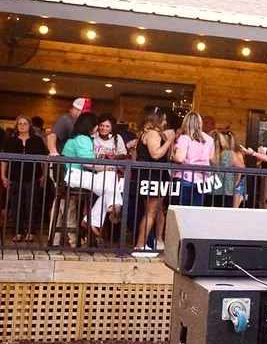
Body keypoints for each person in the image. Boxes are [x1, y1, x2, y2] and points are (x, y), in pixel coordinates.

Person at [62, 111, 125, 238]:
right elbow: (88, 163)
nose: (98, 128)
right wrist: (109, 166)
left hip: (76, 175)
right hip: (75, 176)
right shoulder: (83, 139)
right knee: (110, 180)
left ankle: (93, 218)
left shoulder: (78, 138)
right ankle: (115, 205)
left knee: (109, 187)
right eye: (97, 125)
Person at [132, 107, 175, 256]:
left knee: (151, 211)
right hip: (153, 176)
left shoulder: (146, 133)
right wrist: (170, 140)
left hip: (153, 176)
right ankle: (140, 245)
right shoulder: (152, 133)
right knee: (150, 212)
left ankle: (143, 244)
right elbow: (155, 154)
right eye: (163, 119)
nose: (165, 122)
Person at [1, 115, 48, 242]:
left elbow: (43, 158)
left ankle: (31, 232)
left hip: (33, 177)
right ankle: (17, 232)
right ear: (16, 126)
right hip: (14, 177)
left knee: (31, 205)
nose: (22, 126)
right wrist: (3, 175)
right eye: (20, 124)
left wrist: (45, 174)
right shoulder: (10, 141)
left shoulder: (37, 140)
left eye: (25, 123)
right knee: (15, 205)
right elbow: (4, 160)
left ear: (29, 126)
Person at [170, 112, 213, 207]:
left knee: (181, 209)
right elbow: (211, 158)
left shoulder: (185, 138)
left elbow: (180, 158)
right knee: (195, 210)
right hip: (203, 179)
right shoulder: (209, 139)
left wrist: (172, 156)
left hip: (185, 177)